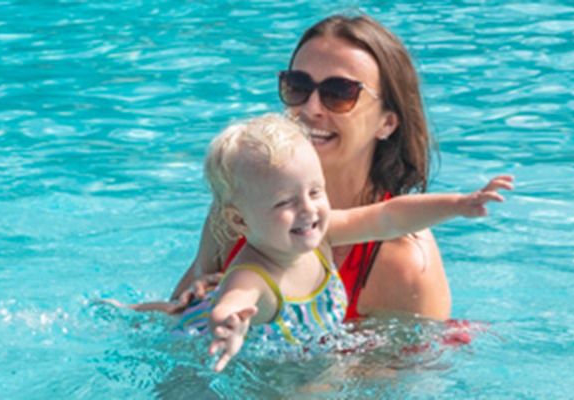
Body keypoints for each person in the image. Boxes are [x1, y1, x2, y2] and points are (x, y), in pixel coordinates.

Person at [169, 13, 459, 327]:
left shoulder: (404, 260)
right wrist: (199, 305)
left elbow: (413, 359)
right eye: (298, 86)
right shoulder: (243, 209)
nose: (310, 108)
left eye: (340, 93)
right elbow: (174, 325)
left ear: (386, 122)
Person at [176, 113, 512, 372]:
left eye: (315, 191)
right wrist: (228, 325)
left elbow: (389, 216)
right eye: (285, 202)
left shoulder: (322, 235)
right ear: (239, 221)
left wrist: (458, 204)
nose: (308, 209)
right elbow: (234, 301)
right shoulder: (255, 275)